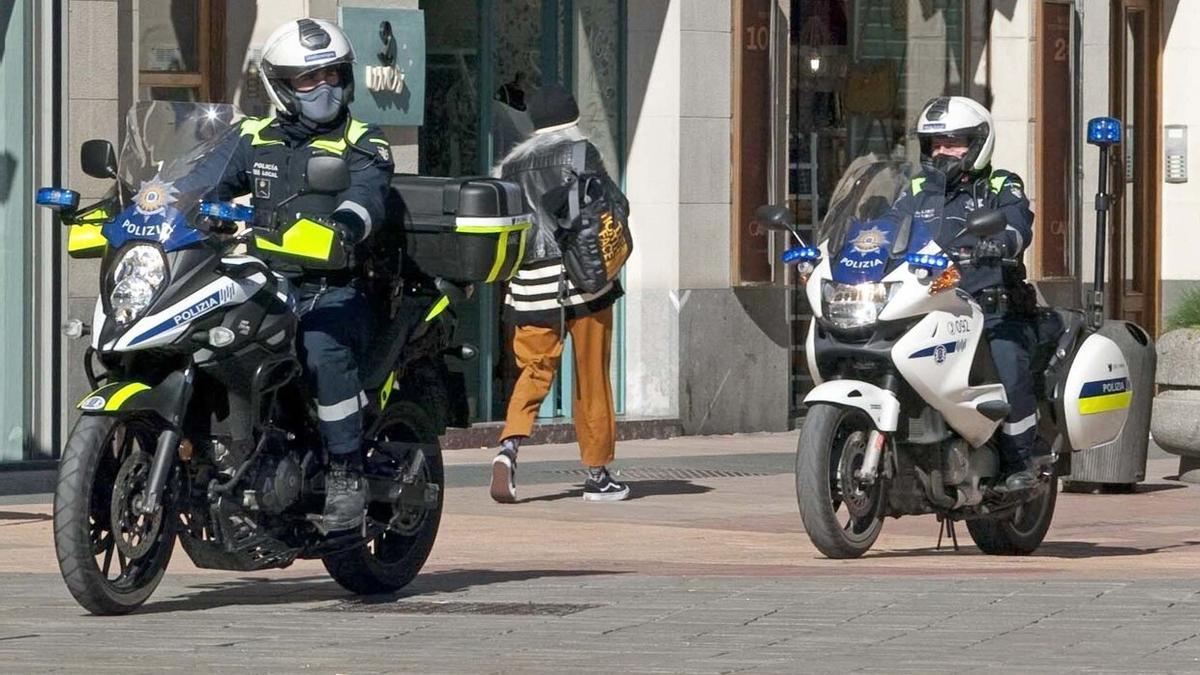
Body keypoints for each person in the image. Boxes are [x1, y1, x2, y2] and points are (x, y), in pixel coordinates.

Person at [213, 18, 394, 530]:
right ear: (280, 85)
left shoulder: (364, 140)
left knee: (320, 348)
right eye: (308, 80)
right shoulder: (252, 136)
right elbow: (203, 183)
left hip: (333, 287)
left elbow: (368, 197)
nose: (325, 88)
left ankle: (345, 471)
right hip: (265, 282)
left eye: (334, 75)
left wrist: (345, 226)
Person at [890, 96, 1039, 491]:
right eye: (934, 144)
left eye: (952, 142)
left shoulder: (1001, 184)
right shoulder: (917, 189)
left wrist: (1004, 241)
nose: (941, 152)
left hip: (989, 308)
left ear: (977, 144)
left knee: (1006, 362)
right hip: (929, 304)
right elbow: (888, 228)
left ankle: (1019, 463)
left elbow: (1018, 223)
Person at [488, 84, 629, 503]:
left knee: (533, 370)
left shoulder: (510, 166)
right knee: (592, 376)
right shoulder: (581, 152)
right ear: (572, 115)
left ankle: (508, 448)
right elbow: (613, 204)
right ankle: (598, 474)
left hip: (529, 284)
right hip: (584, 281)